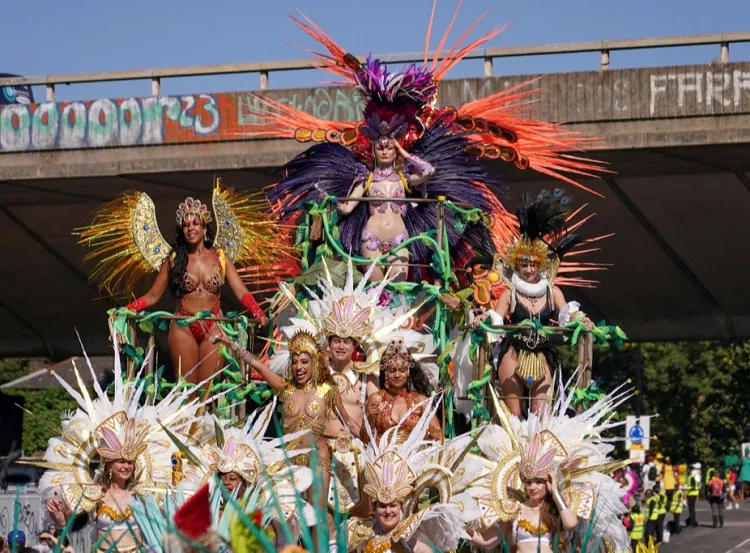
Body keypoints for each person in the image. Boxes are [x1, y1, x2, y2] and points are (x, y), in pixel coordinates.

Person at [253, 6, 608, 285]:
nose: (384, 149)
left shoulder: (406, 178)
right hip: (370, 240)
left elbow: (428, 171)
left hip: (402, 241)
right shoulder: (365, 179)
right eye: (380, 145)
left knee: (401, 293)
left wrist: (405, 153)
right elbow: (346, 209)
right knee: (375, 297)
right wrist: (327, 201)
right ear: (371, 147)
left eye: (390, 145)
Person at [76, 182, 290, 385]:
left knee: (207, 391)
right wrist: (127, 309)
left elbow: (240, 290)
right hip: (183, 327)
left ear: (205, 226)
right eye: (186, 225)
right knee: (187, 392)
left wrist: (257, 311)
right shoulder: (173, 260)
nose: (190, 228)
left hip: (214, 326)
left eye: (195, 223)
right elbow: (153, 296)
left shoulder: (220, 259)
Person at [467, 377, 630, 552]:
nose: (533, 487)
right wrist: (458, 527)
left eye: (538, 482)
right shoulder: (515, 511)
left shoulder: (553, 511)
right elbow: (486, 541)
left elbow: (571, 524)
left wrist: (556, 493)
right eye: (529, 482)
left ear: (548, 482)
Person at [478, 191, 595, 417]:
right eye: (524, 264)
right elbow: (496, 318)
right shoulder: (510, 293)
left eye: (533, 264)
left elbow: (568, 313)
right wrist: (485, 318)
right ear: (517, 264)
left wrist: (581, 319)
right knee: (514, 415)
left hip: (542, 353)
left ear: (540, 264)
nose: (529, 269)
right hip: (513, 353)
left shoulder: (552, 292)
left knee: (540, 415)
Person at [366, 338, 442, 443]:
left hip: (414, 452)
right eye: (392, 370)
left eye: (402, 370)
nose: (397, 375)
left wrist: (429, 436)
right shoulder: (376, 399)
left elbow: (438, 435)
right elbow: (365, 439)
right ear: (386, 373)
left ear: (408, 372)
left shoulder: (421, 401)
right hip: (382, 452)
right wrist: (369, 419)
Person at [686, 464, 701, 528]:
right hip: (692, 494)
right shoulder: (691, 476)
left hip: (692, 494)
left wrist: (686, 488)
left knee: (691, 509)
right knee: (692, 509)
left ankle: (692, 523)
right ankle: (693, 522)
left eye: (688, 470)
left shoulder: (691, 477)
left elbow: (694, 487)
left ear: (690, 470)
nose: (687, 471)